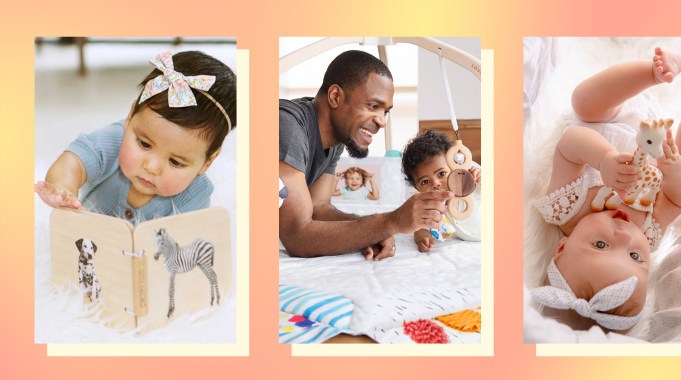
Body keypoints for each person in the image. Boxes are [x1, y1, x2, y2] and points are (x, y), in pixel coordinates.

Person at [530, 47, 681, 330]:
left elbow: (570, 144)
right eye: (635, 257)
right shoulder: (648, 232)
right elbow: (677, 201)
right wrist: (674, 172)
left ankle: (652, 73)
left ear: (562, 246)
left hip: (609, 117)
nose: (623, 237)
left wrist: (603, 160)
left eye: (600, 245)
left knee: (583, 102)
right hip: (658, 140)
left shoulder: (566, 208)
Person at [279, 50, 453, 260]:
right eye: (373, 106)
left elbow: (318, 207)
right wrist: (392, 221)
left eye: (385, 111)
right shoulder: (287, 127)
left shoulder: (334, 138)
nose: (381, 121)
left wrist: (372, 230)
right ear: (335, 96)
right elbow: (297, 236)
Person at [35, 51, 236, 223]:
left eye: (175, 162)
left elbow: (183, 248)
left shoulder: (196, 193)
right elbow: (73, 162)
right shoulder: (115, 139)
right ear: (130, 117)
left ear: (207, 162)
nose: (151, 167)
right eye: (144, 144)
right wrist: (64, 189)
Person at [401, 129, 482, 252]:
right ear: (417, 188)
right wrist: (423, 238)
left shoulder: (469, 181)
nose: (436, 184)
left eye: (442, 173)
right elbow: (420, 228)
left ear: (455, 166)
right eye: (425, 182)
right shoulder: (433, 207)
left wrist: (482, 179)